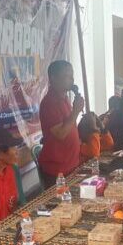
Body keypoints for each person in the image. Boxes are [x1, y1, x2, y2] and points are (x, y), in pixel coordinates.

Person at [38, 60, 84, 188]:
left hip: (72, 163)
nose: (72, 79)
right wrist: (76, 111)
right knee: (61, 201)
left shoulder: (65, 98)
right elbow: (61, 134)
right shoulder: (49, 103)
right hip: (57, 169)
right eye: (67, 76)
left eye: (72, 75)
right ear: (53, 78)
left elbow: (69, 125)